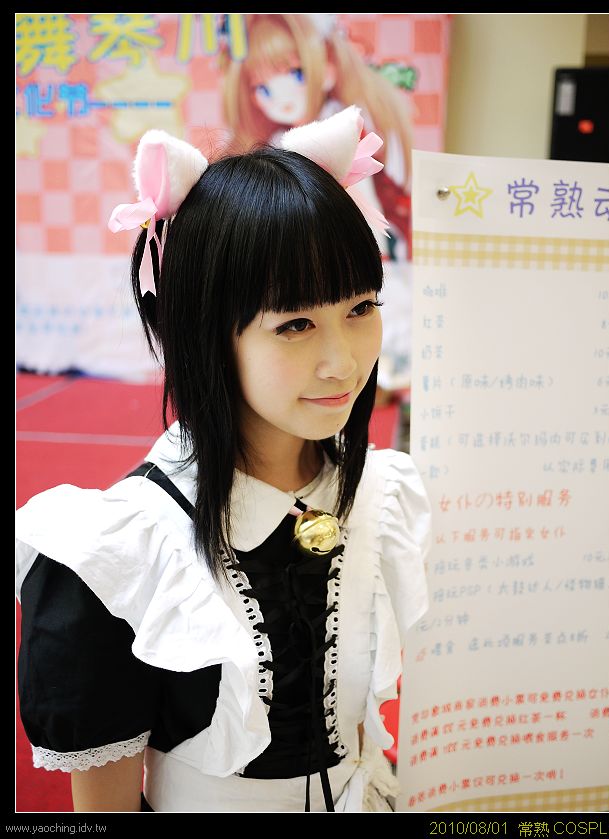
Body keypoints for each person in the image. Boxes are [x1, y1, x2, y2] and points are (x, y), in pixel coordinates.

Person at [15, 106, 432, 813]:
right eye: (295, 323)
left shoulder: (383, 493)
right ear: (205, 333)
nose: (343, 361)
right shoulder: (122, 554)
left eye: (361, 308)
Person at [220, 14, 413, 261]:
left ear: (328, 69)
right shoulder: (278, 141)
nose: (283, 96)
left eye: (297, 74)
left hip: (356, 238)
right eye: (263, 88)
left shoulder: (341, 128)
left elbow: (363, 197)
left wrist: (377, 250)